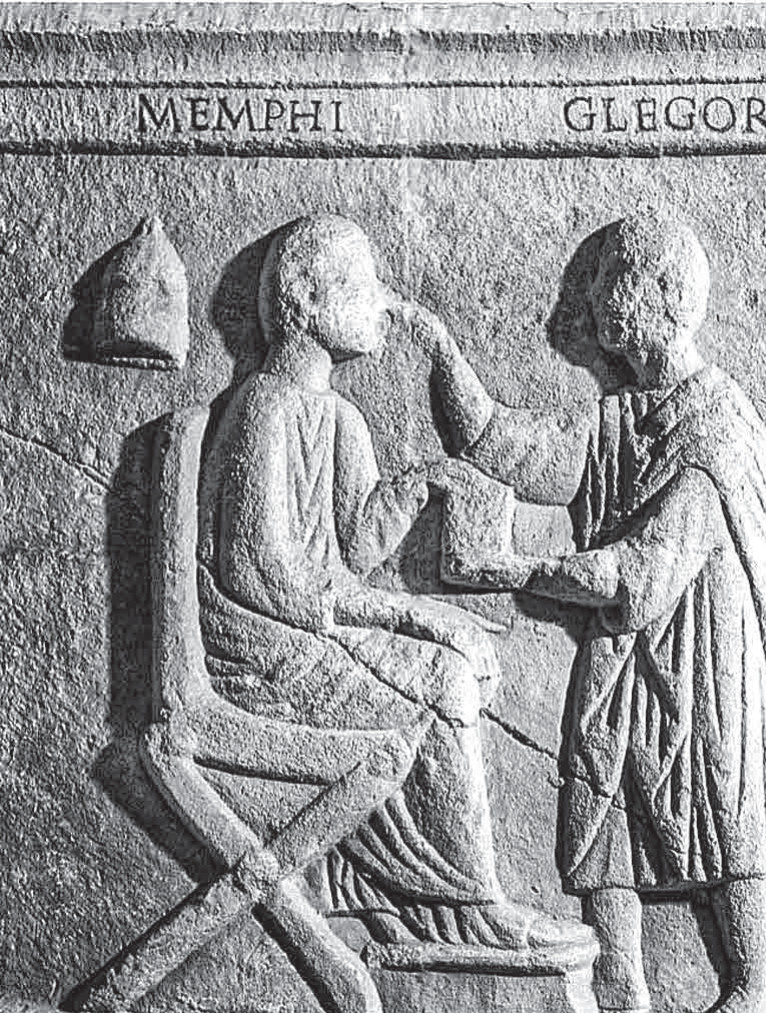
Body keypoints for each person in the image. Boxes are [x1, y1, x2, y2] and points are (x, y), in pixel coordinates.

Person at [401, 213, 766, 1013]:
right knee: (603, 794)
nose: (593, 298)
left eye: (608, 280)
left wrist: (510, 566)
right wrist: (436, 346)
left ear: (665, 295)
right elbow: (503, 444)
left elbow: (639, 575)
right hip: (624, 646)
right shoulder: (618, 416)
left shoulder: (716, 425)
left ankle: (753, 989)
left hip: (703, 649)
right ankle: (617, 981)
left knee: (720, 799)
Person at [196, 214, 590, 973]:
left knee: (459, 659)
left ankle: (397, 892)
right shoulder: (264, 407)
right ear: (305, 299)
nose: (383, 301)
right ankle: (470, 908)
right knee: (443, 676)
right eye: (362, 285)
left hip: (314, 627)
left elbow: (353, 552)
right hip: (261, 646)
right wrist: (412, 615)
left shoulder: (340, 416)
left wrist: (423, 485)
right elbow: (260, 572)